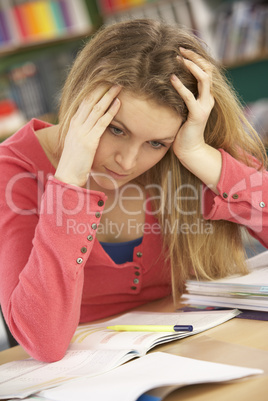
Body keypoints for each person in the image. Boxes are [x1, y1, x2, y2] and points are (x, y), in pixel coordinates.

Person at [0, 19, 267, 362]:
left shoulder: (188, 147)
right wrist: (68, 182)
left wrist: (199, 156)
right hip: (90, 377)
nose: (127, 162)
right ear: (82, 98)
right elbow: (44, 342)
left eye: (155, 143)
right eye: (116, 129)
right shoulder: (13, 170)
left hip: (206, 350)